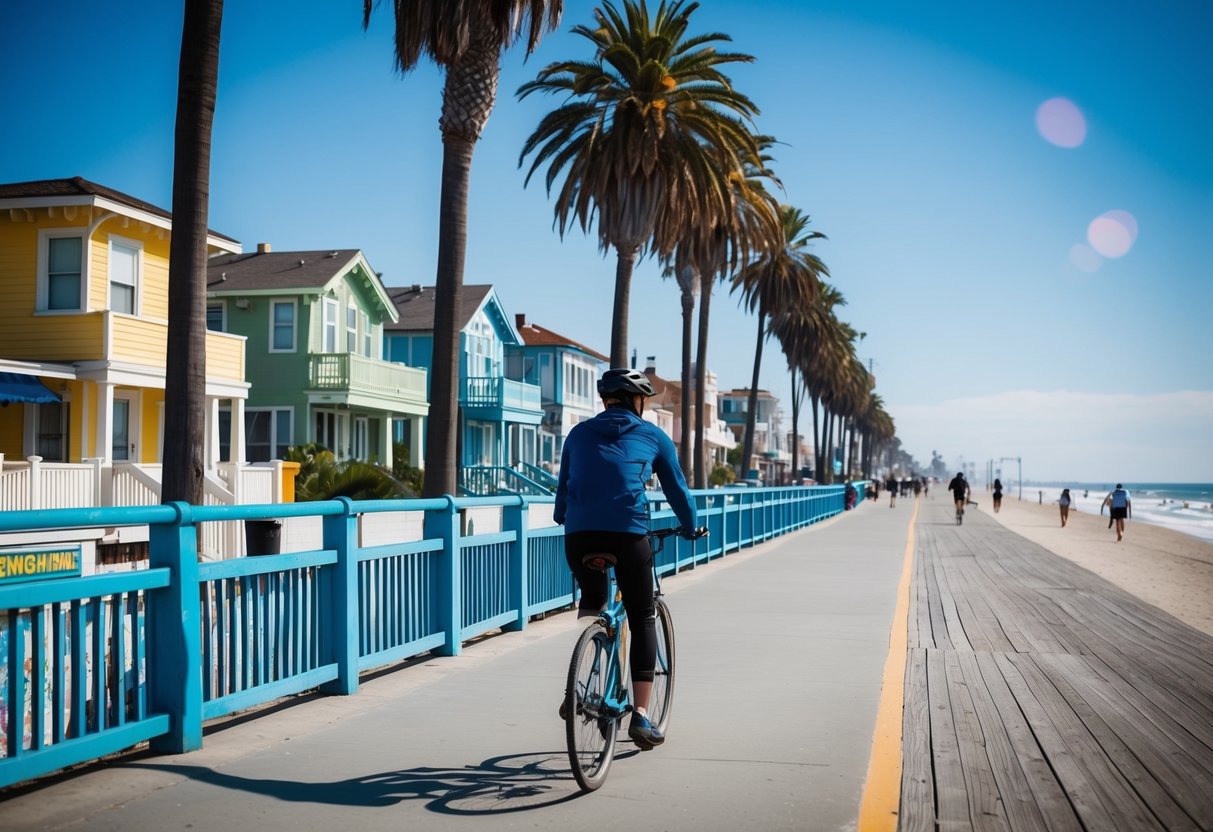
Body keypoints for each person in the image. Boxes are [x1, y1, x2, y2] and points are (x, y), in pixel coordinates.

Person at [554, 368, 700, 750]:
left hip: (579, 536)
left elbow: (563, 491)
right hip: (629, 535)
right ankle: (641, 715)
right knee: (642, 615)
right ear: (638, 401)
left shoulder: (578, 434)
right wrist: (691, 526)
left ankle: (582, 682)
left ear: (606, 400)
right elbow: (678, 492)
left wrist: (566, 517)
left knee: (596, 604)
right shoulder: (653, 436)